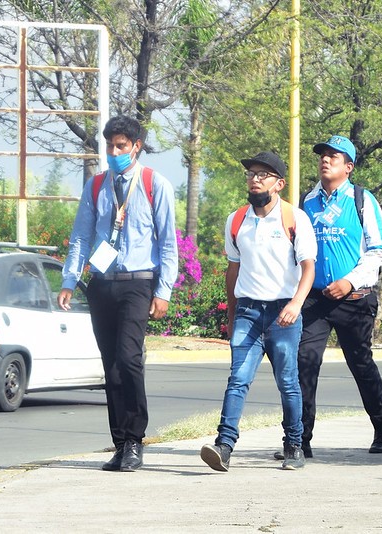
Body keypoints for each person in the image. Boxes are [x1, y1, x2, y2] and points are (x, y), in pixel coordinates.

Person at [58, 115, 178, 472]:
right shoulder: (97, 185)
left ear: (136, 147)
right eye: (110, 146)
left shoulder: (155, 184)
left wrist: (163, 291)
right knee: (110, 367)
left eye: (121, 146)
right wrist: (69, 280)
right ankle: (121, 443)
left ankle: (136, 440)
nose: (114, 152)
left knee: (129, 359)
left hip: (138, 283)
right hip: (102, 283)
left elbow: (167, 242)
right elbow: (81, 236)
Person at [200, 151, 316, 472]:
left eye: (263, 175)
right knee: (237, 379)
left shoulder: (294, 219)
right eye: (251, 174)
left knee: (288, 382)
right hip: (248, 312)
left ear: (279, 184)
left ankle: (294, 445)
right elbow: (233, 269)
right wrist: (232, 313)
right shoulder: (237, 220)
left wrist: (295, 304)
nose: (254, 179)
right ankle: (224, 446)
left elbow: (308, 268)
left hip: (283, 313)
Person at [292, 135, 382, 457]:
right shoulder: (306, 202)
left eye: (333, 157)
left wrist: (349, 282)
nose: (325, 160)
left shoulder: (363, 200)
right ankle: (300, 440)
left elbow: (377, 252)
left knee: (360, 363)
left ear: (348, 167)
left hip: (355, 299)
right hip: (315, 300)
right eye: (322, 155)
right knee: (304, 363)